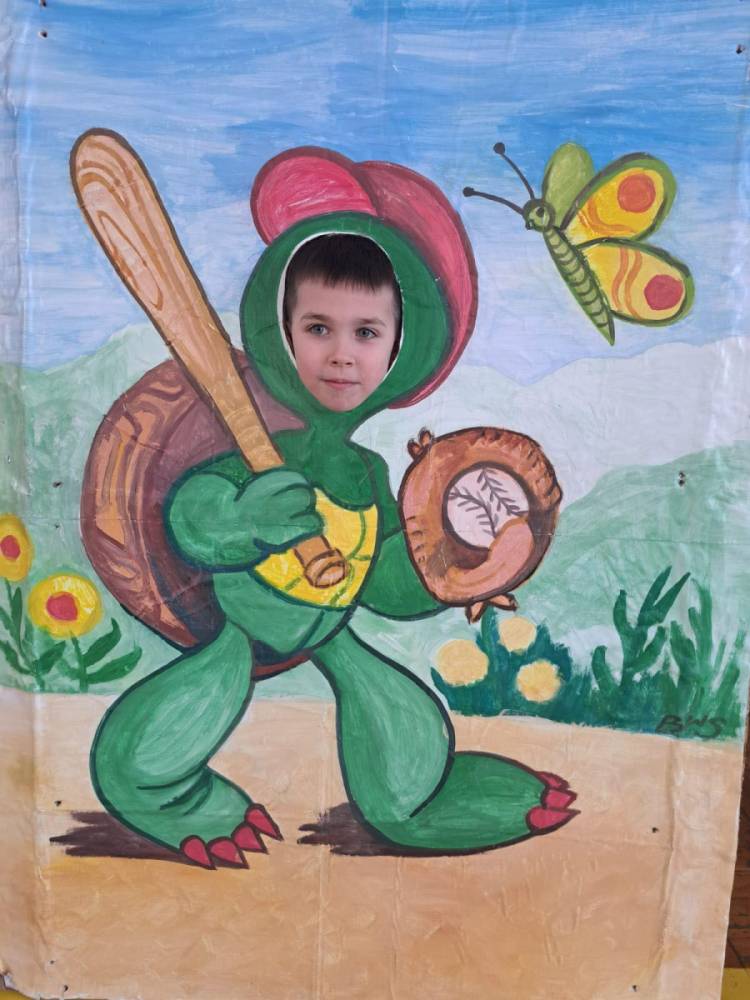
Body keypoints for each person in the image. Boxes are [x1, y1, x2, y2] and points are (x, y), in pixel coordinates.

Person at [90, 223, 576, 869]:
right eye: (319, 328)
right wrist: (245, 520)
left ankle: (418, 800)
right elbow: (192, 518)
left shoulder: (368, 473)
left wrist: (457, 569)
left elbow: (384, 583)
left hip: (331, 627)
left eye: (366, 333)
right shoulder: (262, 450)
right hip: (242, 624)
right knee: (203, 697)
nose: (342, 356)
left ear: (401, 347)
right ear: (282, 335)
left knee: (388, 700)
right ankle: (161, 794)